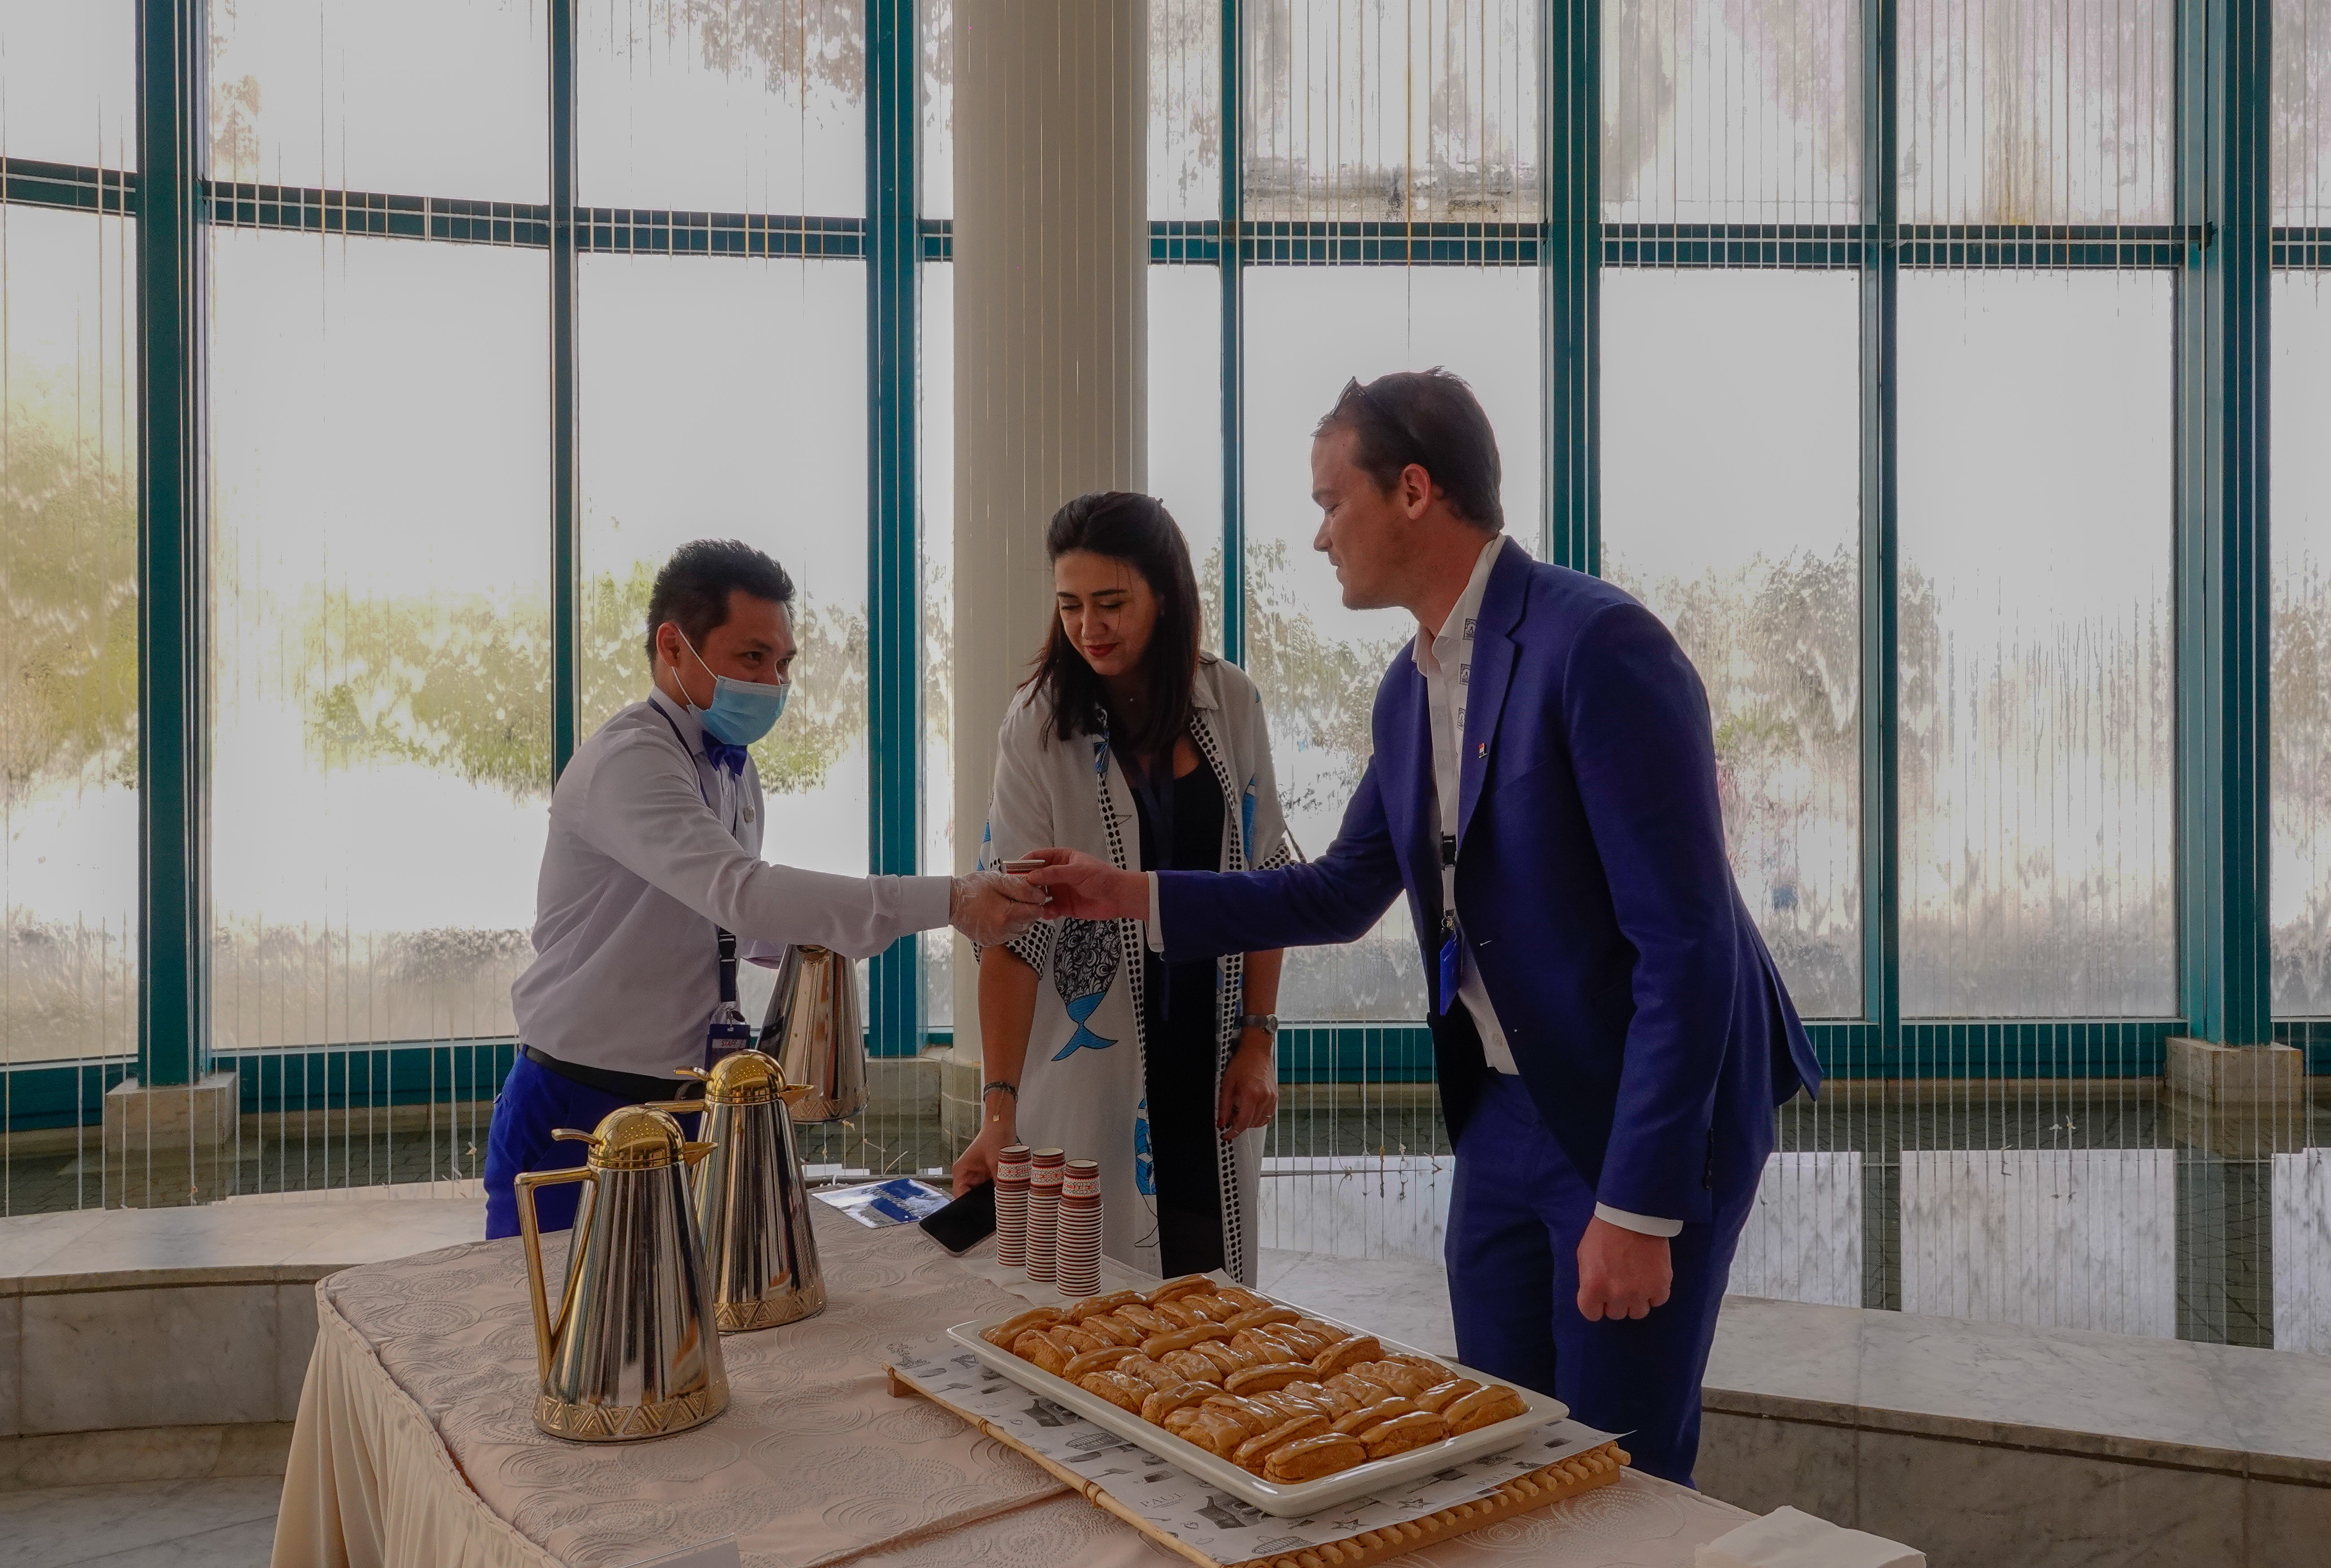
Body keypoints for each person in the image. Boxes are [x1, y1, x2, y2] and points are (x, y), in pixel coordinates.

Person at [1034, 371, 1821, 1485]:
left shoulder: (1598, 647)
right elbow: (1343, 890)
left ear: (1413, 490)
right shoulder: (1409, 694)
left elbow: (1685, 946)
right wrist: (1134, 894)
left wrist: (1641, 1206)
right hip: (1506, 1112)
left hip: (1638, 1115)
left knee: (1619, 1476)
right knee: (1496, 1448)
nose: (1316, 538)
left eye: (1329, 502)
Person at [484, 539, 1046, 1239]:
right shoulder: (631, 760)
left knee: (702, 1339)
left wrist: (828, 957)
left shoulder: (733, 773)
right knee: (558, 1336)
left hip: (695, 1110)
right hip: (583, 1105)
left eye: (784, 664)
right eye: (754, 659)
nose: (775, 684)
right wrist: (952, 900)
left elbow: (736, 929)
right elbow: (742, 894)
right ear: (673, 647)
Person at [952, 492, 1289, 1282]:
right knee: (1090, 1306)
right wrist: (998, 1109)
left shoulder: (1231, 703)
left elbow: (1269, 885)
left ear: (1164, 596)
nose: (1088, 627)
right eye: (1070, 605)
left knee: (1214, 1305)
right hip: (1088, 1068)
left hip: (1212, 1059)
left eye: (1112, 603)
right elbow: (1011, 933)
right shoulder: (1037, 728)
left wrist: (1260, 1039)